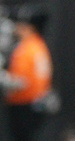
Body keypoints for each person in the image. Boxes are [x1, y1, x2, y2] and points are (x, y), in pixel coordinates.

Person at [2, 7, 54, 141]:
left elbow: (22, 81)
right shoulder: (38, 45)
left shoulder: (28, 48)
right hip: (34, 103)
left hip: (24, 104)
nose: (17, 28)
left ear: (29, 28)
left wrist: (4, 79)